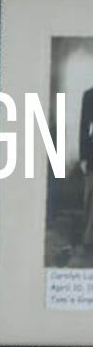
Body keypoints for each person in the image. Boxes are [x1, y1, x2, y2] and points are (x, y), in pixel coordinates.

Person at [80, 86, 93, 253]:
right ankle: (89, 241)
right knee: (90, 197)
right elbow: (84, 127)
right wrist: (83, 156)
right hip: (92, 154)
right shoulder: (89, 95)